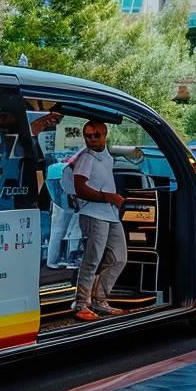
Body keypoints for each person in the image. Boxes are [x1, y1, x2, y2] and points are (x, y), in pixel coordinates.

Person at [70, 121, 128, 321]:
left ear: (105, 135)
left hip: (109, 213)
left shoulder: (106, 157)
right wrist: (109, 197)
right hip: (94, 213)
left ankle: (99, 299)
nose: (91, 139)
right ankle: (81, 303)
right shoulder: (86, 158)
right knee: (92, 259)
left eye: (96, 135)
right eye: (88, 135)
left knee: (119, 257)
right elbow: (80, 187)